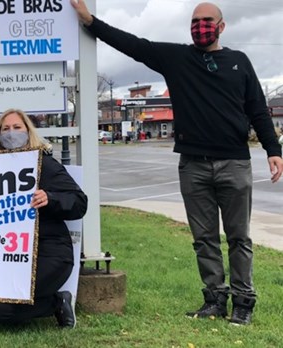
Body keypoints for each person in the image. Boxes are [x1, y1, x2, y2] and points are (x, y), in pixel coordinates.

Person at [71, 0, 283, 325]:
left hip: (234, 163)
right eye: (195, 21)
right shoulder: (178, 59)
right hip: (193, 165)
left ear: (221, 26)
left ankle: (244, 302)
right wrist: (90, 21)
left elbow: (257, 109)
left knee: (239, 237)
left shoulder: (239, 62)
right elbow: (134, 45)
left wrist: (273, 149)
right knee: (204, 238)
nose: (200, 26)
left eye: (207, 20)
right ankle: (214, 299)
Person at [0, 109, 89, 328]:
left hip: (50, 253)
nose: (11, 133)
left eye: (17, 127)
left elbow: (79, 202)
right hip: (10, 255)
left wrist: (50, 198)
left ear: (28, 131)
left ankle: (58, 301)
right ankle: (50, 302)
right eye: (6, 129)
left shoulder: (45, 164)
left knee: (2, 306)